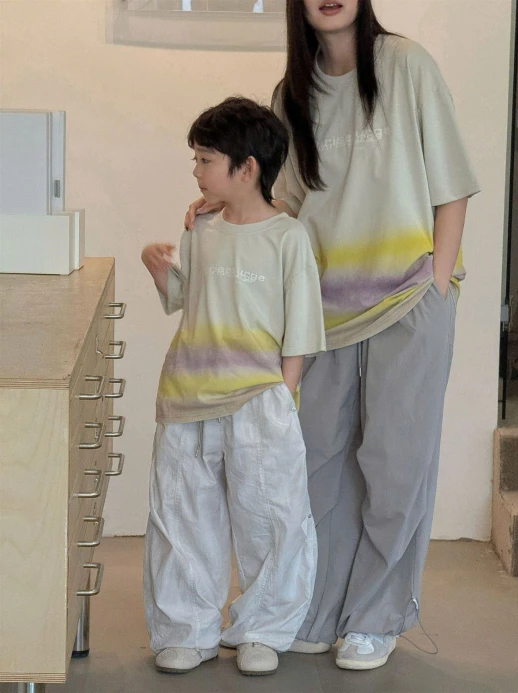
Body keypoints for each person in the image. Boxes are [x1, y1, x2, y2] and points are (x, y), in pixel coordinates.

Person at [185, 0, 480, 672]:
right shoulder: (291, 95)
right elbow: (284, 203)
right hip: (322, 311)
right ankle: (313, 609)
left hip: (408, 299)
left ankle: (375, 617)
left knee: (397, 466)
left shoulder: (406, 66)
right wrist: (226, 198)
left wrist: (437, 283)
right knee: (314, 466)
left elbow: (452, 185)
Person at [141, 97, 326, 677]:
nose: (196, 171)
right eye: (196, 159)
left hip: (259, 399)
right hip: (187, 395)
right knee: (182, 516)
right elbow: (190, 298)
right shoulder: (200, 228)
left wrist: (283, 396)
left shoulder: (288, 238)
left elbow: (302, 327)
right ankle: (186, 631)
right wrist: (158, 266)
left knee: (270, 516)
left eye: (205, 159)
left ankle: (263, 630)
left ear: (246, 168)